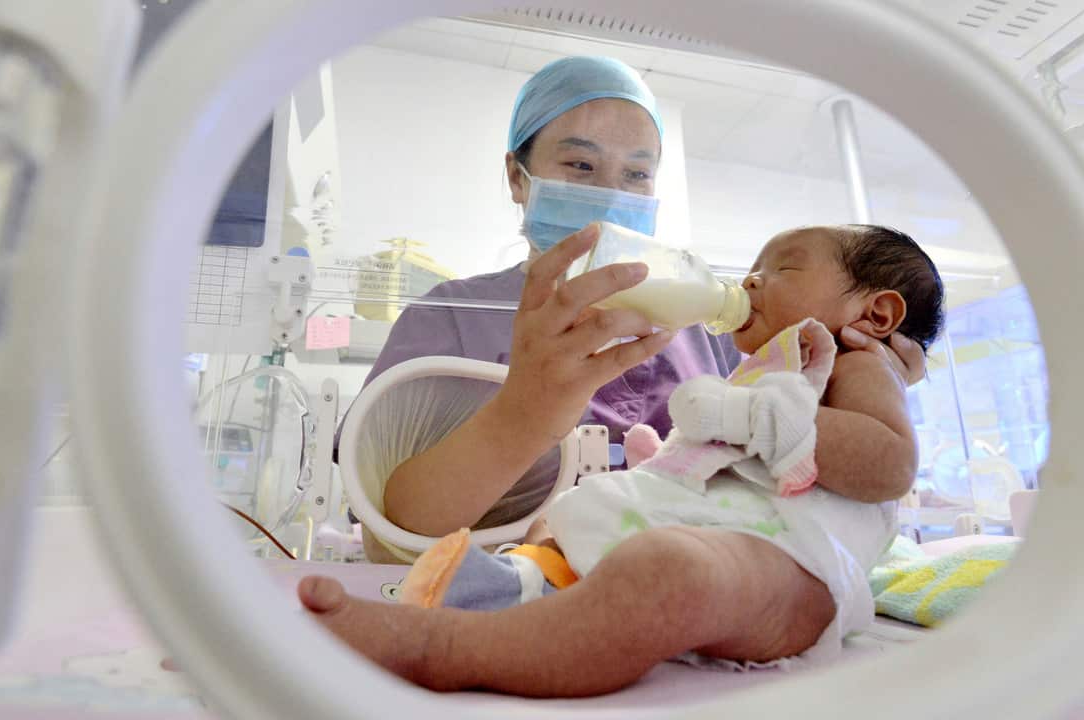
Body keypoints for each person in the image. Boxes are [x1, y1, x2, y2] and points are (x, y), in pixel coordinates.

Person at [298, 224, 945, 697]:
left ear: (878, 311)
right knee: (573, 520)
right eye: (754, 264)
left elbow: (889, 466)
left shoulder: (859, 364)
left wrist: (749, 414)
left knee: (668, 570)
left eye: (784, 268)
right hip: (726, 538)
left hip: (794, 569)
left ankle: (446, 648)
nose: (750, 280)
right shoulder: (763, 366)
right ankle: (520, 585)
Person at [337, 56, 927, 561]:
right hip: (511, 607)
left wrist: (870, 376)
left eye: (637, 174)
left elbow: (803, 446)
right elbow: (386, 536)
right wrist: (525, 413)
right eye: (581, 167)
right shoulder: (455, 315)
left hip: (694, 610)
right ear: (518, 178)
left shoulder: (715, 329)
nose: (612, 194)